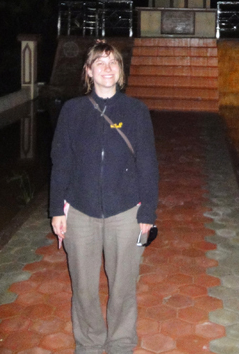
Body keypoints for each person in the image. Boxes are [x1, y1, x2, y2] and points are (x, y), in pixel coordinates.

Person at [50, 41, 159, 354]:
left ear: (121, 71)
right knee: (83, 286)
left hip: (125, 212)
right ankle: (89, 342)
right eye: (100, 62)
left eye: (113, 62)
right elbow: (61, 161)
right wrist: (57, 209)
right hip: (80, 212)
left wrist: (147, 212)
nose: (107, 68)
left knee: (123, 285)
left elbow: (148, 163)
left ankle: (121, 342)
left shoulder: (136, 111)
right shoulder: (72, 110)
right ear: (88, 71)